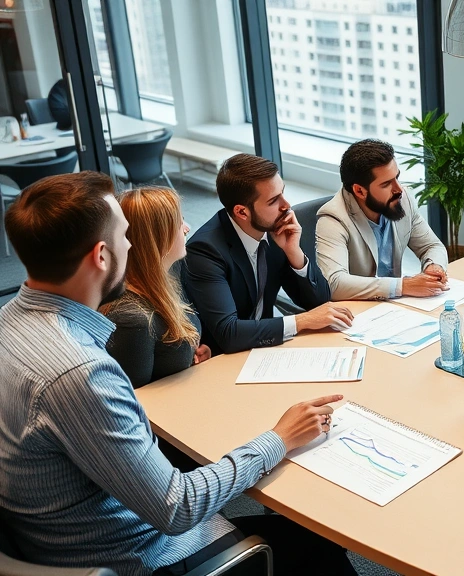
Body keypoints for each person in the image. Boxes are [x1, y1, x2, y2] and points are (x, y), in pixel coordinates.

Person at [0, 172, 357, 575]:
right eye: (124, 236)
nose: (133, 244)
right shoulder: (79, 373)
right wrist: (280, 438)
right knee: (320, 543)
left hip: (51, 538)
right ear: (101, 256)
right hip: (139, 555)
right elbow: (178, 507)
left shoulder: (10, 320)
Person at [184, 153, 352, 355]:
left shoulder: (275, 231)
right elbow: (228, 333)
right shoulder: (205, 251)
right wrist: (302, 321)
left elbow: (319, 302)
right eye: (274, 200)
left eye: (283, 192)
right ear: (242, 212)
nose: (287, 205)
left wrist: (294, 252)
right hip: (223, 358)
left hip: (266, 349)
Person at [101, 187, 211, 388]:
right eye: (179, 223)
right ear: (159, 238)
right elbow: (136, 400)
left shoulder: (167, 274)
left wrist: (189, 356)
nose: (187, 228)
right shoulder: (133, 319)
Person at [317, 138, 449, 300]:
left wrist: (433, 266)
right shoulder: (333, 220)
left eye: (397, 177)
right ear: (359, 191)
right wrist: (404, 286)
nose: (399, 189)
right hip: (359, 311)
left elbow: (431, 246)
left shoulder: (402, 199)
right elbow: (334, 284)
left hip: (395, 306)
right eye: (386, 184)